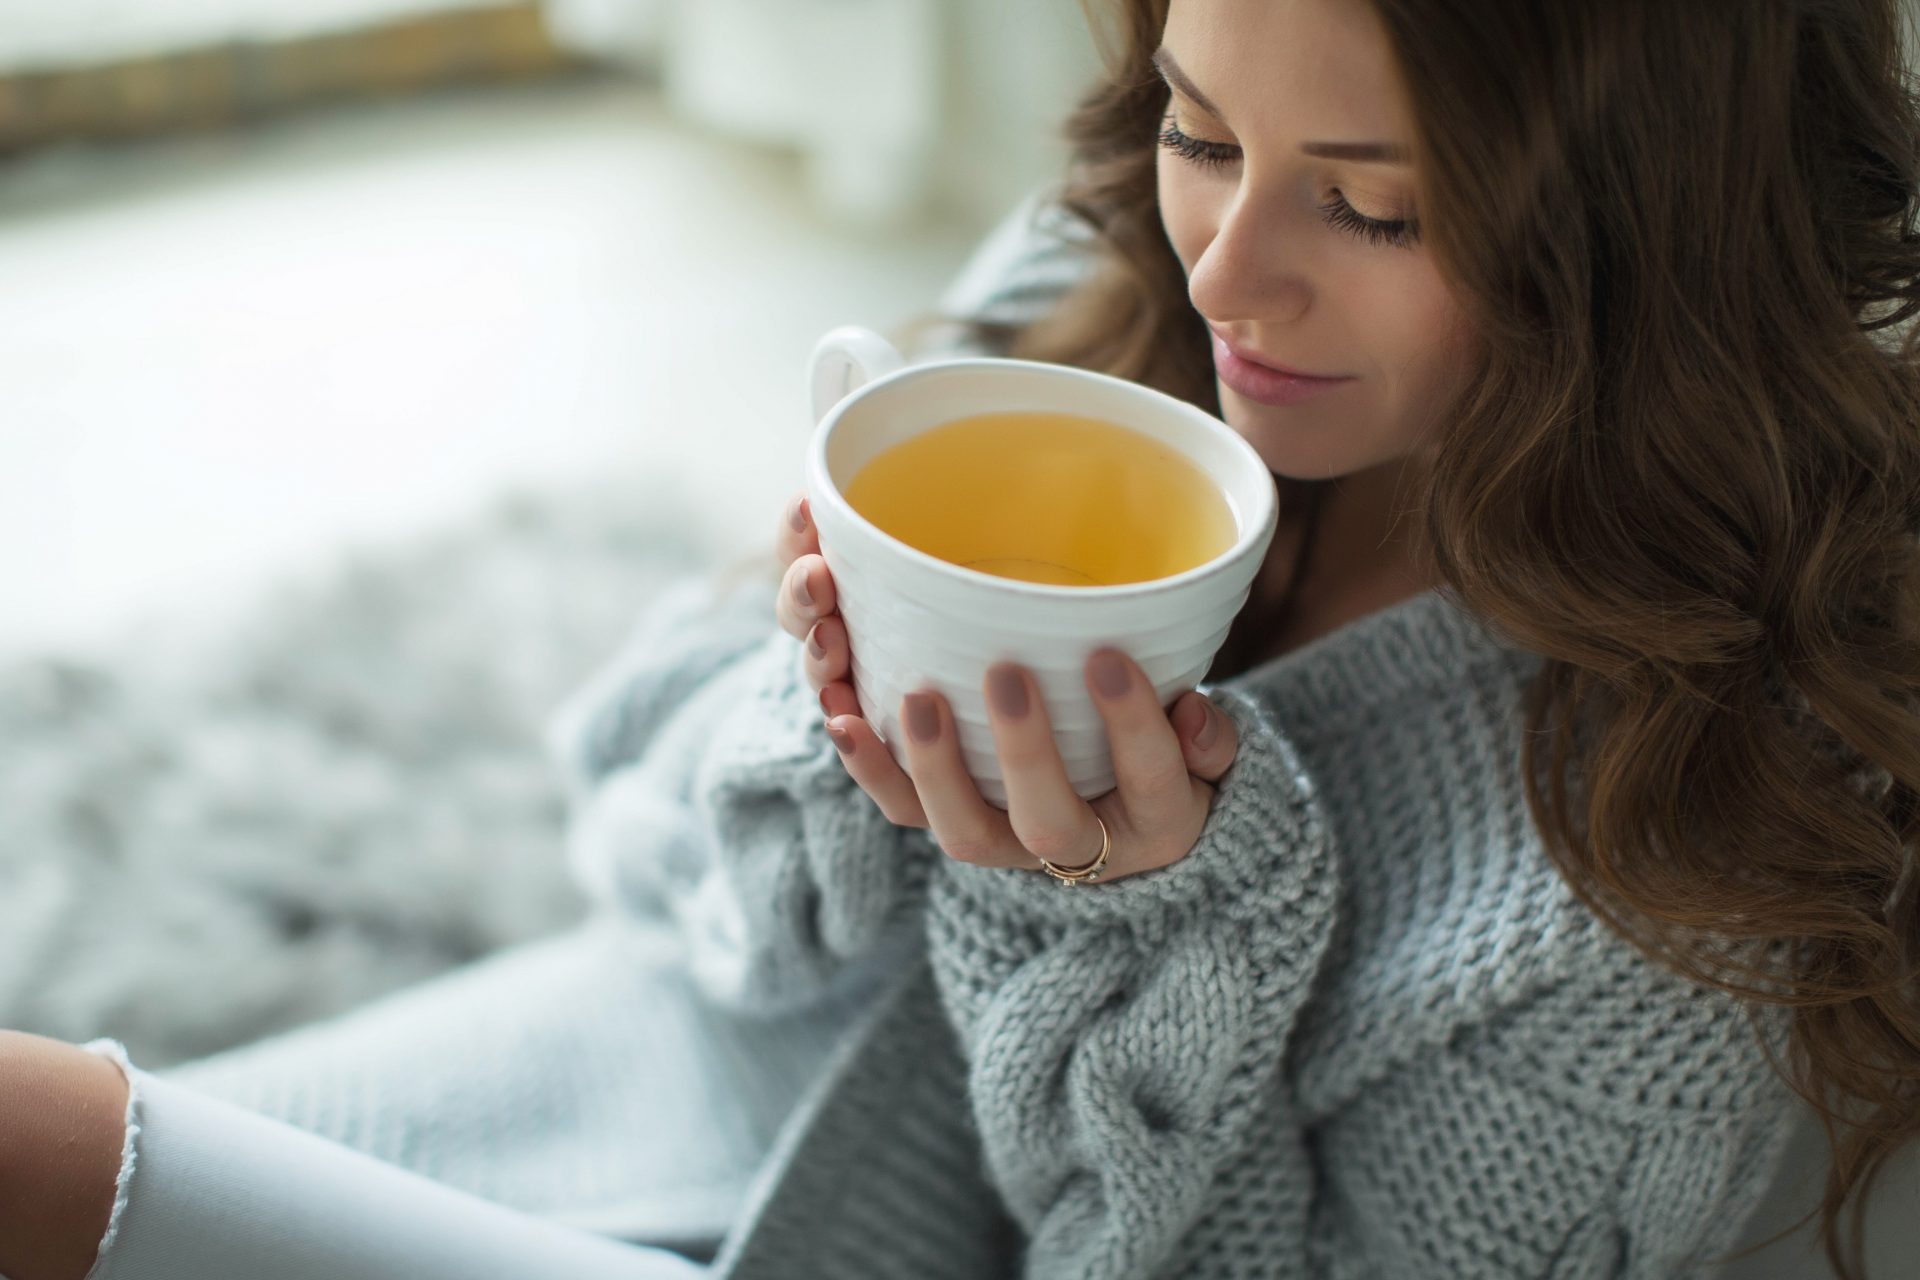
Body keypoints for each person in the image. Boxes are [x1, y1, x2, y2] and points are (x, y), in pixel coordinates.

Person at [3, 0, 1917, 1276]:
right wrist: (821, 699)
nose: (1230, 271)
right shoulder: (1105, 300)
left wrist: (1122, 921)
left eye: (1376, 209)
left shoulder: (1683, 880)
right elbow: (639, 827)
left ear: (1651, 240)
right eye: (1200, 127)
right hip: (653, 1058)